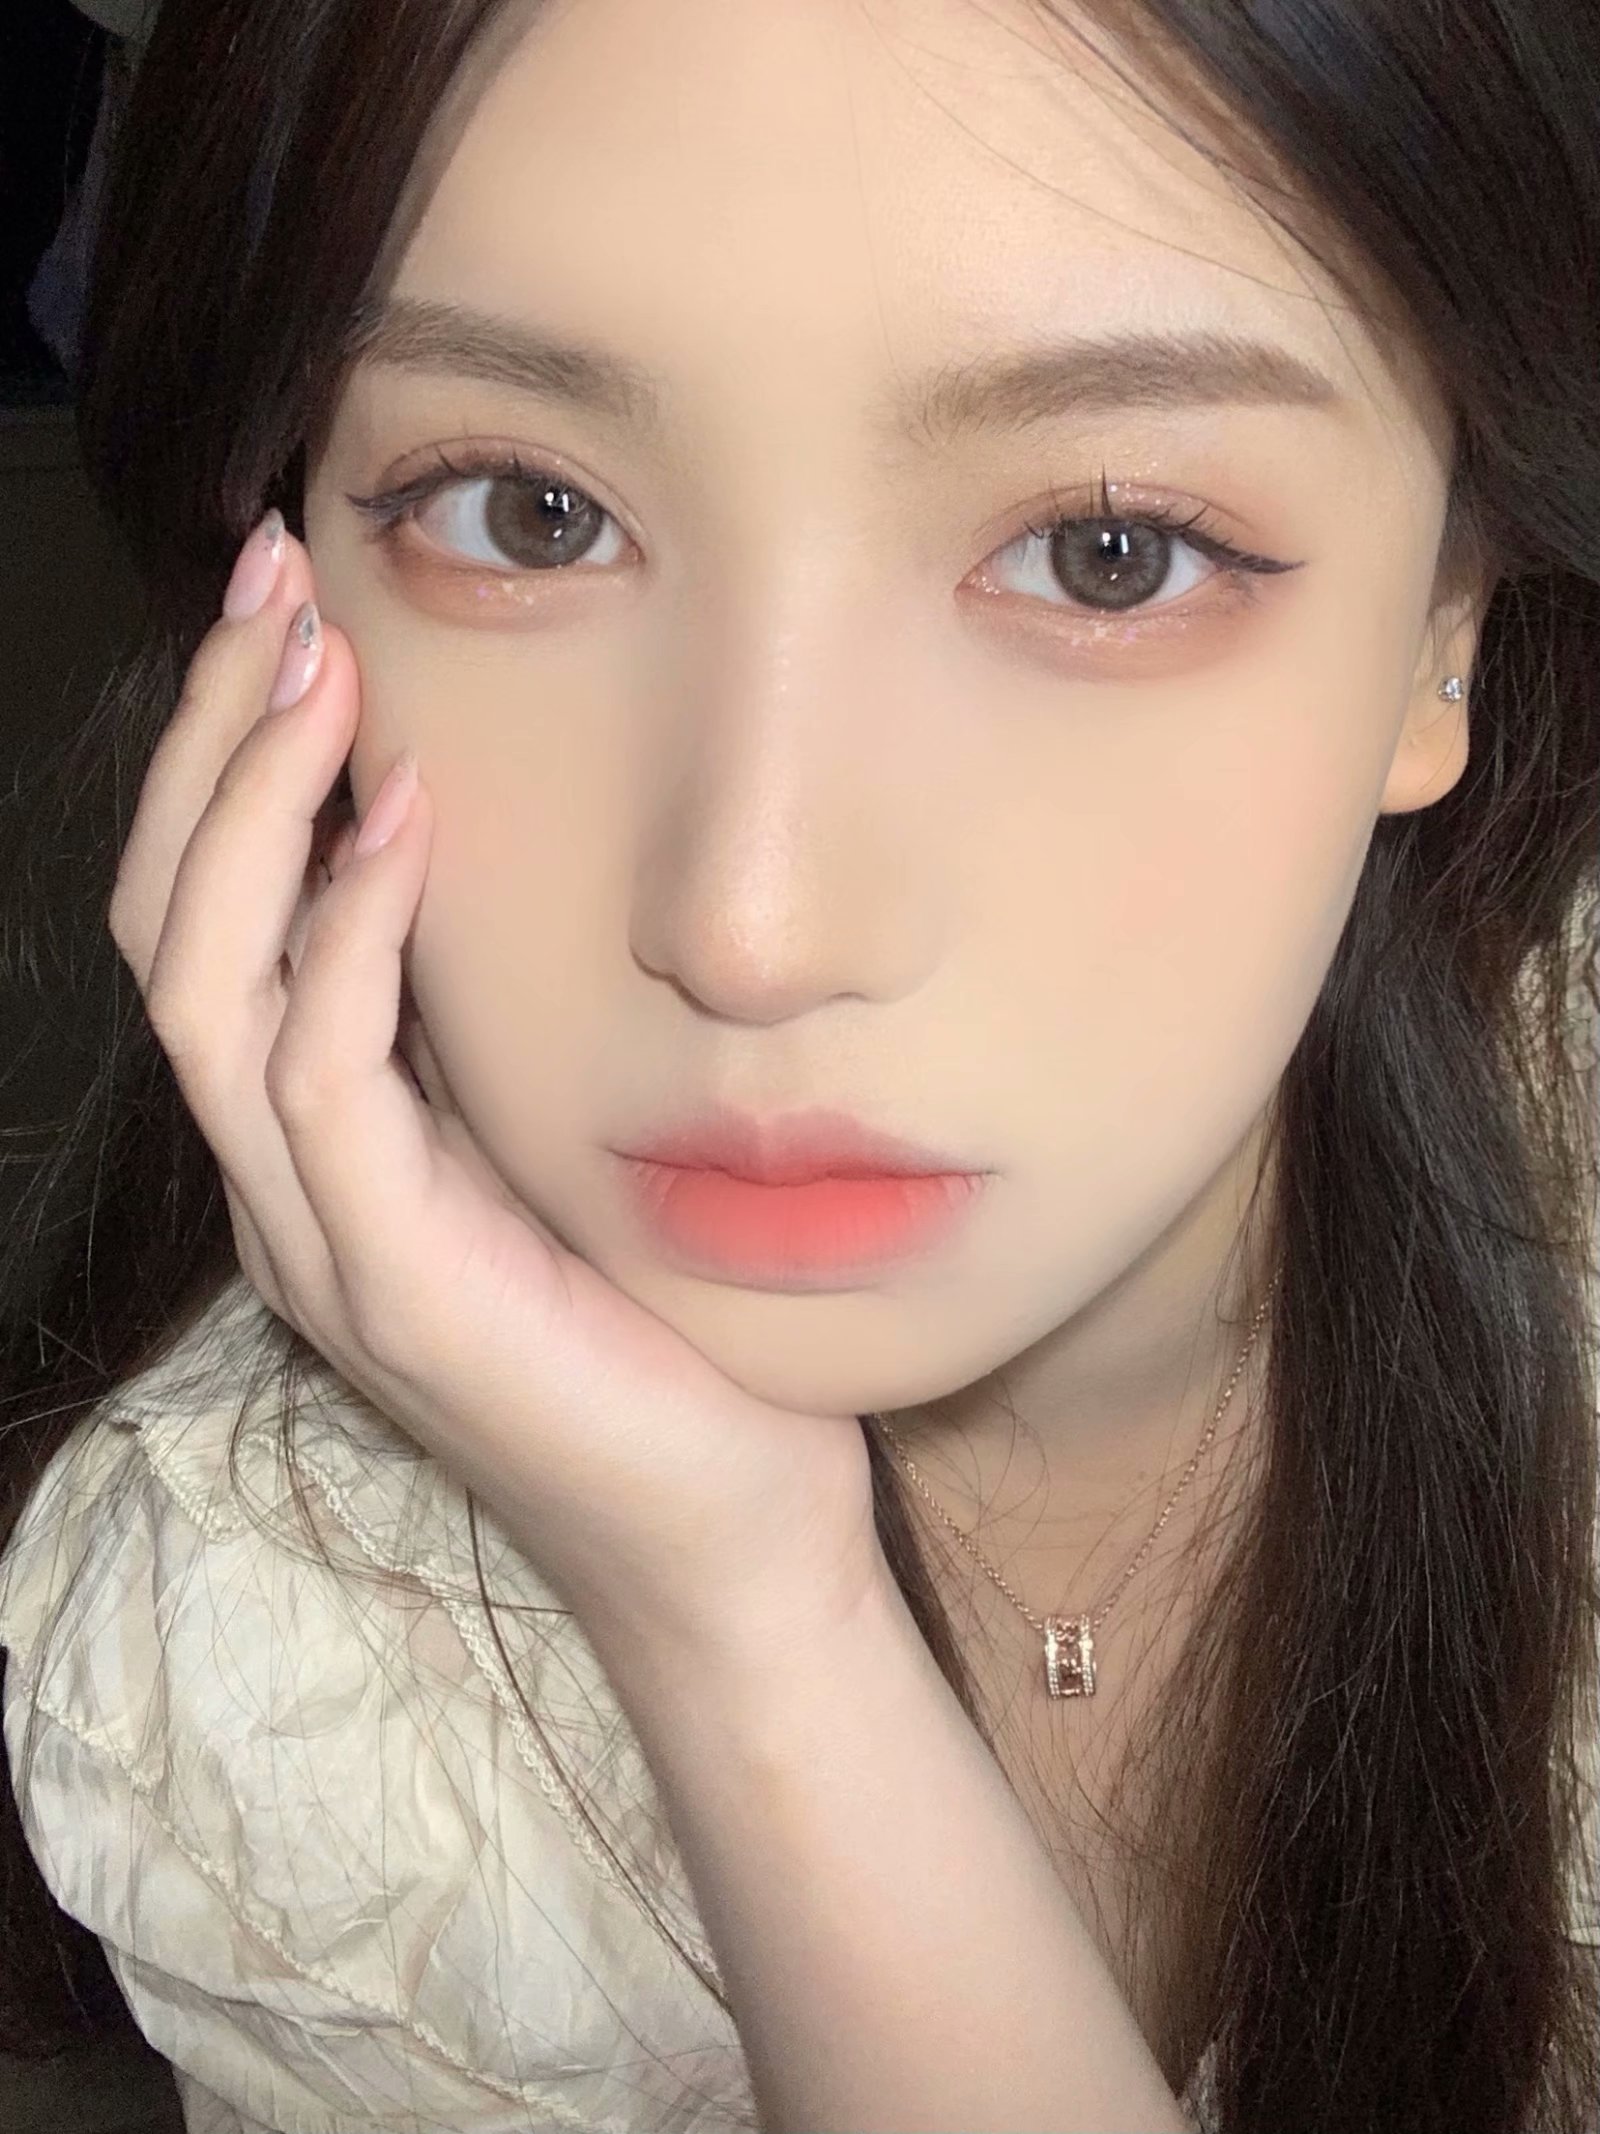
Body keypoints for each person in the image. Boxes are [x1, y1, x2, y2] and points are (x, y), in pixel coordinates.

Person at [1, 0, 1597, 2128]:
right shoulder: (286, 1671)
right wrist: (746, 1624)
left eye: (1106, 550)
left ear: (1443, 624)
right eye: (527, 514)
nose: (751, 926)